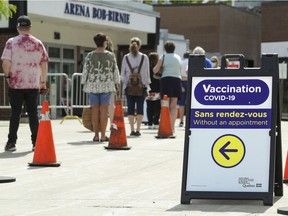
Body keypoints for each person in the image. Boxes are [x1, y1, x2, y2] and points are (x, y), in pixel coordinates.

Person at [1, 15, 49, 152]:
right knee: (33, 113)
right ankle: (36, 142)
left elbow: (5, 62)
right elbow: (44, 64)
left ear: (17, 27)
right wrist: (43, 82)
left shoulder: (11, 42)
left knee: (15, 113)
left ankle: (11, 143)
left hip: (16, 84)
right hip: (33, 84)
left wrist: (8, 76)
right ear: (30, 28)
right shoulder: (38, 43)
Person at [81, 32, 120, 142]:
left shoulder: (90, 55)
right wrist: (117, 82)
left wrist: (84, 82)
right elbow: (115, 70)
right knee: (104, 110)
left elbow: (85, 71)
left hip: (93, 85)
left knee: (94, 110)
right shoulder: (110, 55)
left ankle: (96, 135)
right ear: (104, 42)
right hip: (107, 85)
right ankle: (103, 136)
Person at [121, 37, 150, 136]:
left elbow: (123, 74)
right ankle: (138, 130)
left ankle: (132, 130)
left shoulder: (126, 57)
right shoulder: (144, 57)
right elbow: (146, 73)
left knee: (130, 108)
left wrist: (126, 83)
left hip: (129, 87)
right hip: (141, 87)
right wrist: (146, 84)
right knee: (140, 108)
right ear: (140, 45)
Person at [153, 40, 182, 134]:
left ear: (165, 49)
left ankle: (165, 125)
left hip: (166, 80)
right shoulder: (178, 57)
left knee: (165, 105)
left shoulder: (163, 56)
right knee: (174, 105)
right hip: (176, 80)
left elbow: (155, 70)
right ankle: (172, 127)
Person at [146, 52, 161, 129]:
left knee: (149, 107)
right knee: (157, 106)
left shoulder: (146, 68)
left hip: (149, 89)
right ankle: (155, 122)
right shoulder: (158, 69)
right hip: (157, 89)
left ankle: (149, 122)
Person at [177, 51, 190, 127]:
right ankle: (188, 120)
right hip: (189, 81)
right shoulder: (190, 62)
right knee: (189, 103)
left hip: (182, 82)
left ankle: (181, 121)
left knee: (181, 104)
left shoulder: (181, 62)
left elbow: (178, 73)